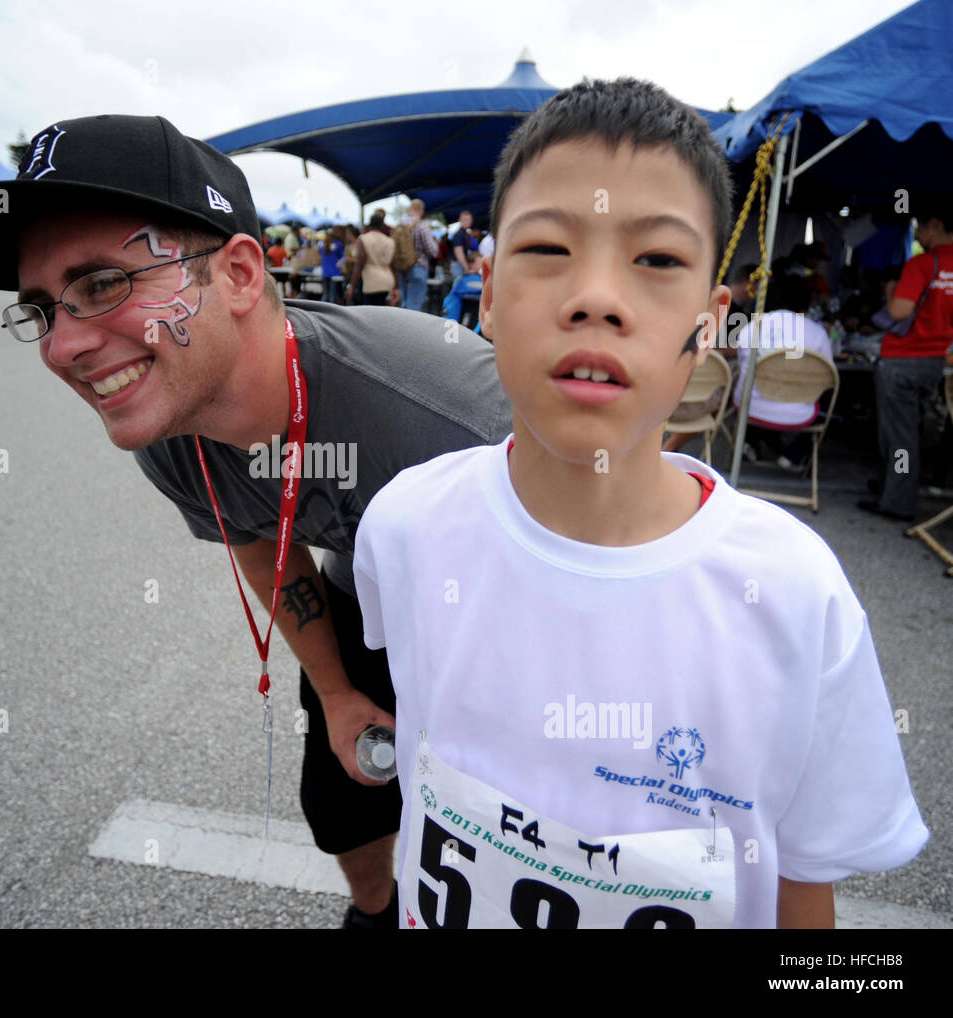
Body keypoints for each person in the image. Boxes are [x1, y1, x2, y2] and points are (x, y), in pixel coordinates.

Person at [0, 114, 512, 929]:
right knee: (344, 806)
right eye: (42, 309)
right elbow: (259, 541)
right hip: (365, 597)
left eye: (103, 284)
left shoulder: (446, 415)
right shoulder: (166, 426)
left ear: (242, 274)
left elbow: (619, 549)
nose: (62, 347)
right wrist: (332, 692)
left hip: (509, 611)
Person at [353, 78, 928, 929]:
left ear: (710, 320)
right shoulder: (404, 528)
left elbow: (805, 901)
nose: (597, 297)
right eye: (547, 248)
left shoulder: (797, 597)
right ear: (484, 285)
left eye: (657, 260)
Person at [859, 202, 953, 521]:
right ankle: (893, 485)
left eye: (920, 226)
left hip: (903, 359)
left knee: (900, 436)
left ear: (936, 224)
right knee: (911, 430)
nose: (917, 232)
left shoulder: (922, 264)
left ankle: (897, 501)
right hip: (935, 360)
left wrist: (890, 293)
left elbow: (898, 312)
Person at [730, 274, 834, 471]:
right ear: (807, 301)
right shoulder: (817, 333)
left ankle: (752, 440)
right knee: (829, 397)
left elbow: (744, 366)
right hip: (798, 413)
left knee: (748, 383)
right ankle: (795, 454)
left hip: (750, 408)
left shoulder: (752, 327)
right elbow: (827, 380)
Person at [395, 199, 438, 313]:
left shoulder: (399, 226)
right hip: (418, 267)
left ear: (410, 209)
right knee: (414, 306)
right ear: (421, 211)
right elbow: (432, 251)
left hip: (401, 268)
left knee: (404, 303)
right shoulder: (421, 226)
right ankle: (411, 330)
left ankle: (401, 329)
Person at [347, 210, 398, 307]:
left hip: (371, 282)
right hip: (387, 281)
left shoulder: (364, 239)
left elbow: (359, 263)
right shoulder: (389, 241)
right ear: (382, 225)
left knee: (371, 313)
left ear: (370, 224)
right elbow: (393, 264)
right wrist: (396, 287)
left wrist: (352, 286)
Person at [441, 250, 483, 323]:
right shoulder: (465, 278)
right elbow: (478, 288)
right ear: (471, 264)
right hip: (463, 312)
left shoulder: (473, 277)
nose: (482, 265)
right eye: (480, 263)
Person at [450, 210, 478, 281]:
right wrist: (466, 268)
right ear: (460, 220)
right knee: (459, 287)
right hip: (458, 265)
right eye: (464, 219)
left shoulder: (465, 233)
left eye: (468, 219)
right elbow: (458, 252)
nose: (467, 221)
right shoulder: (459, 234)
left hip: (460, 264)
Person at [319, 227, 345, 304]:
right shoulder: (339, 244)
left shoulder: (322, 245)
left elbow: (320, 254)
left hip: (325, 272)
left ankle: (321, 309)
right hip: (335, 273)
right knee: (332, 295)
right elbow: (343, 257)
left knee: (325, 294)